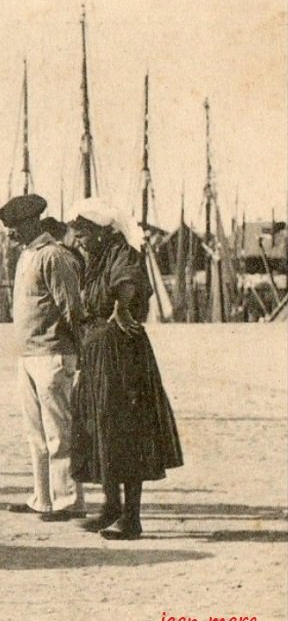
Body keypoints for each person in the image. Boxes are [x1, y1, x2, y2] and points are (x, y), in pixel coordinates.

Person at [68, 198, 183, 540]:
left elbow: (128, 281)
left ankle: (131, 518)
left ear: (103, 232)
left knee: (127, 430)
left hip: (122, 356)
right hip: (98, 353)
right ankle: (110, 506)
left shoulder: (123, 253)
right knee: (99, 427)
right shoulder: (97, 259)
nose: (80, 241)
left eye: (84, 234)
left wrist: (121, 306)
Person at [0, 194, 86, 522]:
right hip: (28, 356)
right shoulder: (26, 256)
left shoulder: (54, 256)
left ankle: (68, 500)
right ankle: (42, 497)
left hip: (53, 355)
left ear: (33, 223)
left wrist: (79, 351)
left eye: (15, 227)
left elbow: (71, 307)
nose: (10, 233)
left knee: (59, 430)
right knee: (36, 432)